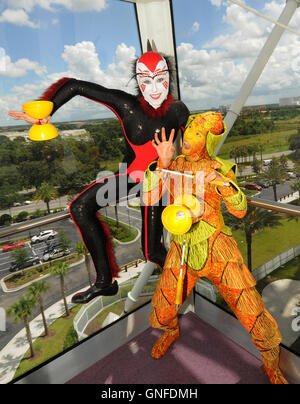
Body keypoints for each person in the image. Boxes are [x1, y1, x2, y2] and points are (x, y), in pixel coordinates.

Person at [8, 51, 190, 304]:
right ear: (137, 82)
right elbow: (74, 86)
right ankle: (105, 282)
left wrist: (170, 164)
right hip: (132, 175)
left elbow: (196, 149)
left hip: (159, 180)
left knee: (152, 251)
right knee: (80, 207)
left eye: (160, 79)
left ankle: (183, 283)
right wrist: (45, 113)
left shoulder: (179, 111)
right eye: (146, 81)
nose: (155, 88)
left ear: (169, 78)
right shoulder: (126, 105)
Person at [143, 112, 288, 384]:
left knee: (249, 308)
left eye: (198, 134)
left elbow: (241, 210)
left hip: (218, 248)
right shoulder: (171, 163)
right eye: (189, 132)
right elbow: (149, 198)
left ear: (208, 140)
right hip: (182, 247)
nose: (188, 138)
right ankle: (170, 331)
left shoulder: (220, 167)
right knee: (163, 308)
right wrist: (161, 163)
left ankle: (271, 360)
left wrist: (221, 183)